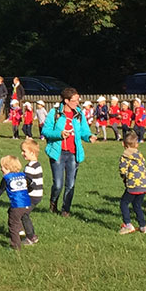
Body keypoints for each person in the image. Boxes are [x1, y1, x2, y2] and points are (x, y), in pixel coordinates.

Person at [41, 88, 92, 216]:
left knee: (70, 184)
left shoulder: (79, 114)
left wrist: (89, 137)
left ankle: (66, 210)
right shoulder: (55, 113)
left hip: (74, 153)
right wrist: (59, 134)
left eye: (78, 100)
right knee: (58, 184)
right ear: (66, 100)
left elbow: (85, 131)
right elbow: (45, 131)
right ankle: (53, 203)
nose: (77, 102)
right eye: (74, 100)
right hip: (58, 152)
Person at [0, 154, 36, 249]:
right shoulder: (24, 175)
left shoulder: (6, 178)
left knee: (12, 224)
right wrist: (25, 191)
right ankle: (23, 232)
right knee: (17, 214)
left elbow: (0, 191)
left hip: (17, 205)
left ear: (8, 168)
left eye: (2, 167)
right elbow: (32, 186)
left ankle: (15, 245)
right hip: (27, 204)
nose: (1, 169)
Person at [117, 135, 146, 234]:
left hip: (133, 185)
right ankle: (143, 226)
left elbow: (123, 171)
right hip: (144, 184)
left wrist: (125, 178)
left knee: (124, 203)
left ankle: (128, 224)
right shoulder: (140, 155)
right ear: (137, 145)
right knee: (137, 205)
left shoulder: (125, 156)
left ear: (123, 144)